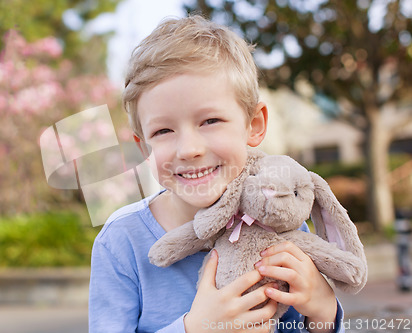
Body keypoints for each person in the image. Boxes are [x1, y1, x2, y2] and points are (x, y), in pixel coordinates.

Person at [89, 15, 344, 333]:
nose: (188, 149)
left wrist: (322, 310)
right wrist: (193, 328)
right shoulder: (121, 242)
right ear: (144, 148)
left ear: (254, 126)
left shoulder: (281, 216)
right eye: (164, 130)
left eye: (210, 121)